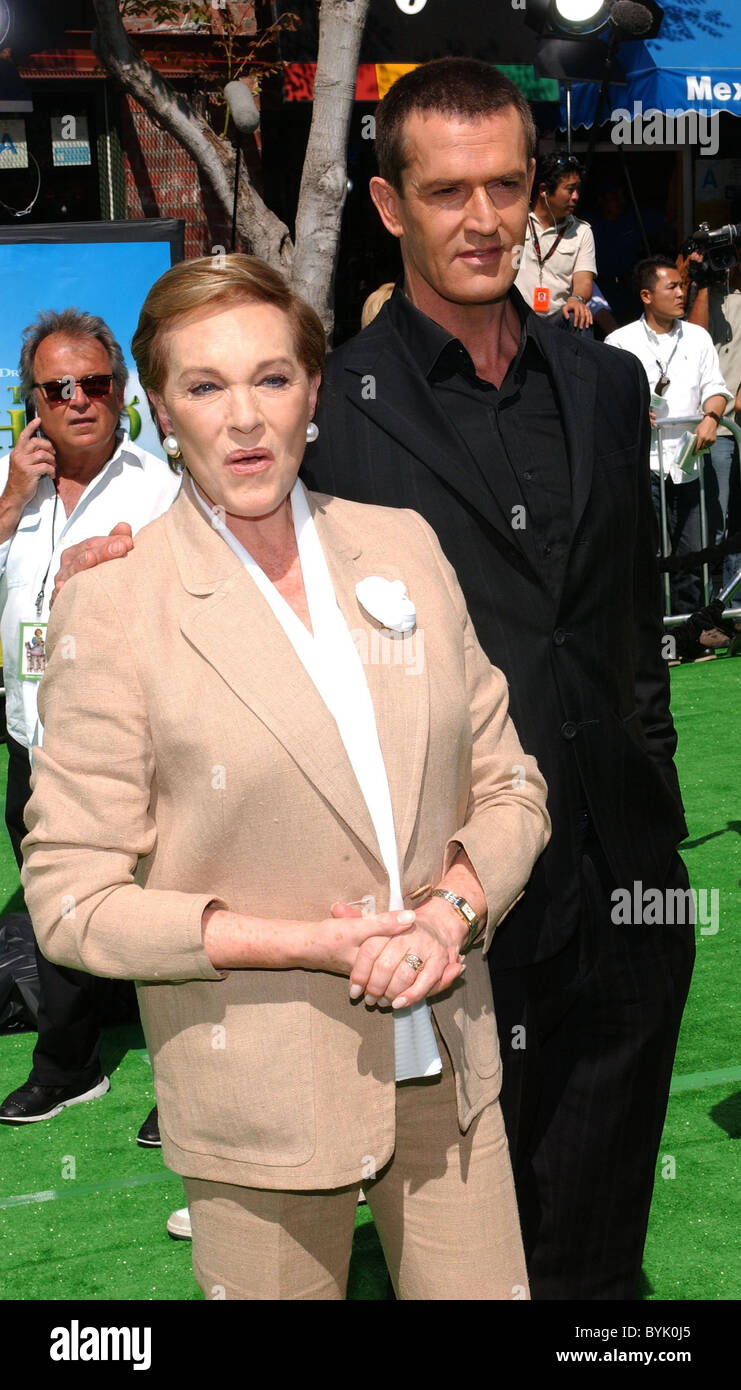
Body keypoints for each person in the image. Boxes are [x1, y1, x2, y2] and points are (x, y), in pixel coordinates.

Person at [20, 254, 550, 1301]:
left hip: (450, 1065)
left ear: (315, 388)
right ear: (162, 411)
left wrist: (451, 911)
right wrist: (307, 942)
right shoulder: (117, 602)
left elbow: (512, 787)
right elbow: (73, 898)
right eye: (205, 386)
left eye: (271, 377)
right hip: (255, 1101)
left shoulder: (402, 545)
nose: (244, 418)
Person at [298, 57, 696, 1299]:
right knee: (474, 1244)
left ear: (536, 191)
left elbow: (626, 612)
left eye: (506, 186)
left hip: (629, 872)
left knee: (604, 1227)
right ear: (387, 202)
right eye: (446, 190)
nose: (481, 219)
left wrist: (655, 790)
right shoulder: (335, 419)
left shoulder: (607, 381)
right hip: (453, 890)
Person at [0, 309, 181, 1132]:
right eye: (57, 387)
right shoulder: (13, 483)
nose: (78, 400)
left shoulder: (162, 488)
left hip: (134, 741)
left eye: (94, 383)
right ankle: (68, 1066)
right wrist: (12, 499)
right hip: (32, 735)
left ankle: (185, 1083)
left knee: (160, 900)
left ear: (120, 389)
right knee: (54, 902)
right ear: (32, 399)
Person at [606, 257, 732, 614]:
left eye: (683, 285)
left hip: (691, 460)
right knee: (647, 553)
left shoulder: (698, 336)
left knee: (694, 550)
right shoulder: (619, 341)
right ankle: (651, 635)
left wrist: (712, 417)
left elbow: (716, 388)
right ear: (647, 295)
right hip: (645, 465)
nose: (682, 293)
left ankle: (689, 631)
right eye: (672, 287)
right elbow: (609, 399)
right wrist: (629, 410)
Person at [687, 241, 741, 593]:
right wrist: (702, 282)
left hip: (734, 427)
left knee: (732, 524)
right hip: (710, 428)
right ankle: (710, 604)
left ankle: (730, 604)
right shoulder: (692, 294)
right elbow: (696, 337)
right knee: (711, 523)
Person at [514, 150, 596, 332]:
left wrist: (578, 299)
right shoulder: (516, 224)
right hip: (518, 317)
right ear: (544, 190)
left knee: (580, 316)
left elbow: (584, 280)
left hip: (558, 320)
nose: (576, 196)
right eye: (569, 189)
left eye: (577, 190)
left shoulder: (582, 231)